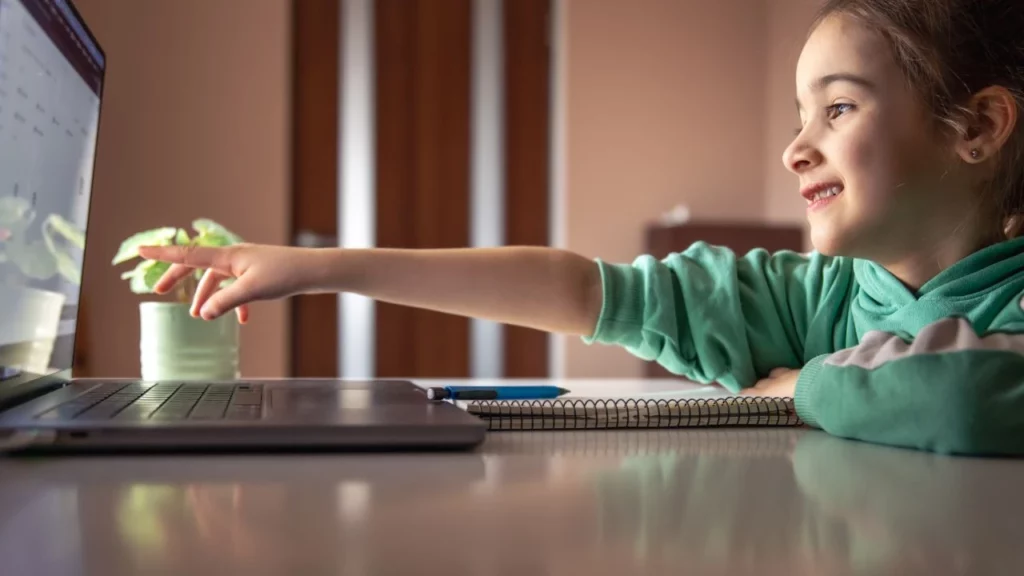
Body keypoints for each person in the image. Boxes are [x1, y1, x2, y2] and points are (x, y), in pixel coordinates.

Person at [139, 0, 1024, 456]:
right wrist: (320, 266)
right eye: (799, 113)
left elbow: (954, 393)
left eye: (838, 108)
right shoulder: (822, 295)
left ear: (977, 128)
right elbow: (584, 290)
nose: (796, 147)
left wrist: (798, 387)